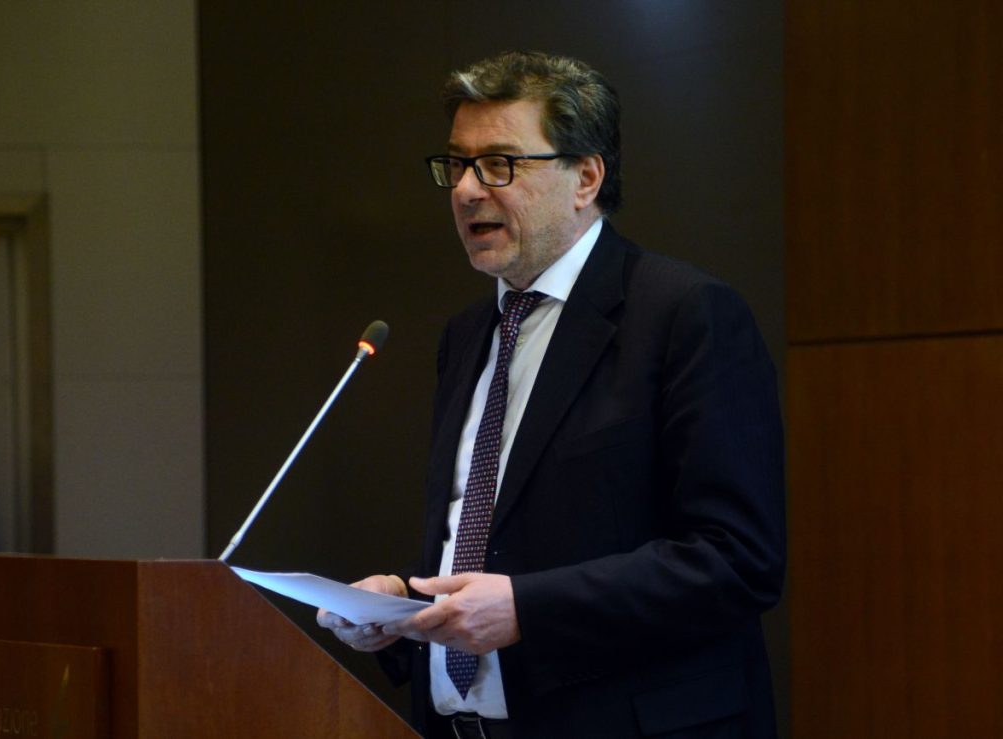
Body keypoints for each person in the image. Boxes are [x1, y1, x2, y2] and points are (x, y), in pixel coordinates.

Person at [317, 50, 785, 739]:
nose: (467, 190)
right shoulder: (468, 334)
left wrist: (527, 610)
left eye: (499, 164)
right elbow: (493, 541)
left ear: (585, 177)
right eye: (457, 164)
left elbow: (736, 559)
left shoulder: (683, 315)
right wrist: (402, 600)